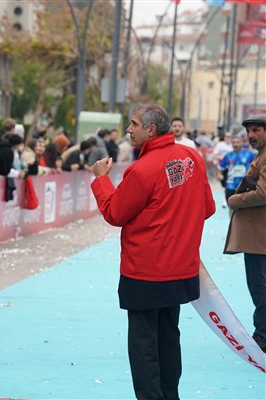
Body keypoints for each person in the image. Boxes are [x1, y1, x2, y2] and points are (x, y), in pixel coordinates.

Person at [90, 103, 215, 399]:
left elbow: (115, 213)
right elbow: (207, 208)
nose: (128, 129)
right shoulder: (192, 158)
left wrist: (101, 179)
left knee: (144, 344)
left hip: (145, 271)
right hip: (180, 269)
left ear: (151, 129)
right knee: (169, 337)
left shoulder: (142, 168)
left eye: (133, 124)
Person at [224, 114, 266, 352]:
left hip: (259, 237)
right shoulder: (260, 154)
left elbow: (263, 193)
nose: (251, 135)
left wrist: (235, 200)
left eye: (257, 130)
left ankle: (263, 336)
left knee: (260, 287)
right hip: (258, 235)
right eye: (249, 131)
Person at [217, 135, 255, 207]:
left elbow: (256, 165)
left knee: (244, 208)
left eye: (237, 142)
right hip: (230, 186)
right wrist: (219, 174)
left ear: (242, 143)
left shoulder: (250, 154)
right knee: (231, 207)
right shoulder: (228, 155)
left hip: (245, 185)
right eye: (233, 142)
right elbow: (220, 167)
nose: (235, 144)